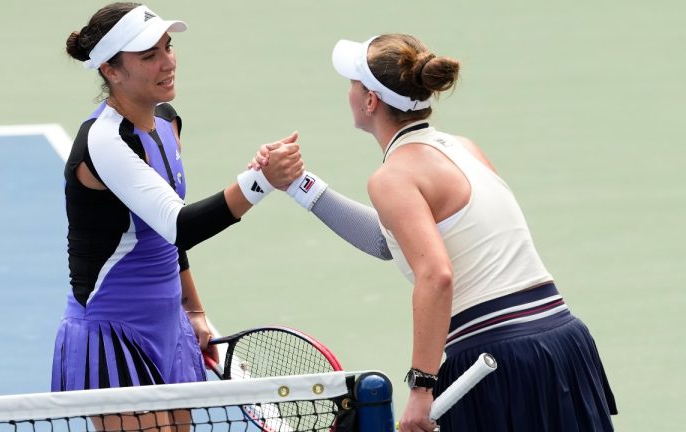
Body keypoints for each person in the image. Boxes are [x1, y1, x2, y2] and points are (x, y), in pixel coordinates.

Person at [256, 33, 617, 431]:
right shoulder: (464, 148)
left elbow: (435, 274)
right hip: (562, 342)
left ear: (371, 101)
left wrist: (421, 386)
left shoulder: (392, 176)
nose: (349, 93)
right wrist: (297, 184)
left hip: (499, 358)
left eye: (353, 85)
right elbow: (389, 242)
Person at [53, 0, 302, 403]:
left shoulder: (166, 119)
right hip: (114, 332)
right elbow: (180, 224)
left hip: (168, 323)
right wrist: (259, 182)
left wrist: (194, 309)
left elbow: (164, 233)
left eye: (168, 47)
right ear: (110, 71)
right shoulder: (105, 142)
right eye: (150, 55)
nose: (168, 62)